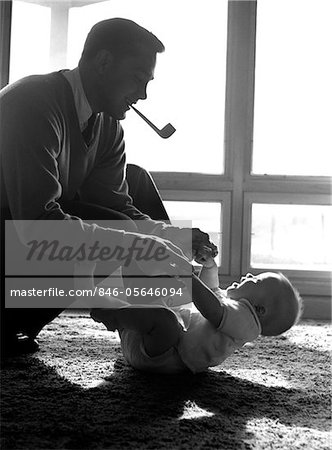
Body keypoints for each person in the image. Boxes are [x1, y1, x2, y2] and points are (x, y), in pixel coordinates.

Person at [0, 18, 217, 355]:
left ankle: (152, 317)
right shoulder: (32, 103)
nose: (143, 95)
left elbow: (117, 206)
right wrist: (141, 247)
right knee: (124, 234)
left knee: (137, 181)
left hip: (22, 254)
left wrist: (173, 238)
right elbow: (37, 226)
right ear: (102, 63)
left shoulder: (109, 126)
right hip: (15, 243)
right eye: (136, 79)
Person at [84, 249, 303, 374]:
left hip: (168, 357)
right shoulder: (236, 312)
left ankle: (115, 316)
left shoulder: (246, 323)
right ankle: (125, 313)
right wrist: (210, 268)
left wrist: (189, 277)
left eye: (254, 280)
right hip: (152, 344)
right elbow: (214, 293)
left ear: (259, 309)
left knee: (166, 320)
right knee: (164, 302)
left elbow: (212, 308)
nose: (247, 276)